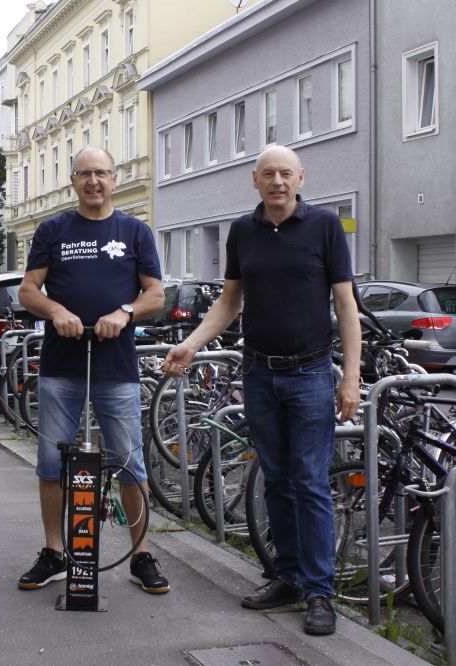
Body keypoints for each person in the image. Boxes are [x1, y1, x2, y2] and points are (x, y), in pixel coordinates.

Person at [162, 146, 361, 635]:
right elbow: (229, 302)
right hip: (259, 373)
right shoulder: (242, 231)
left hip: (311, 373)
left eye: (285, 174)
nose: (277, 181)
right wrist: (189, 345)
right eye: (268, 174)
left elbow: (346, 305)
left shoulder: (324, 227)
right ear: (255, 180)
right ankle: (288, 576)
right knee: (276, 479)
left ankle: (319, 593)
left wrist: (351, 376)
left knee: (310, 481)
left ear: (300, 178)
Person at [17, 147, 169, 594]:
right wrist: (56, 310)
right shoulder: (53, 230)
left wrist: (125, 312)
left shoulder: (135, 231)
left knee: (129, 461)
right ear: (73, 180)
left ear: (114, 178)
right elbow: (28, 291)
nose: (94, 182)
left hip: (115, 366)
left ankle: (141, 556)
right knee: (50, 462)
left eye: (101, 173)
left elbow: (155, 295)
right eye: (85, 174)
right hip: (61, 365)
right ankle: (54, 552)